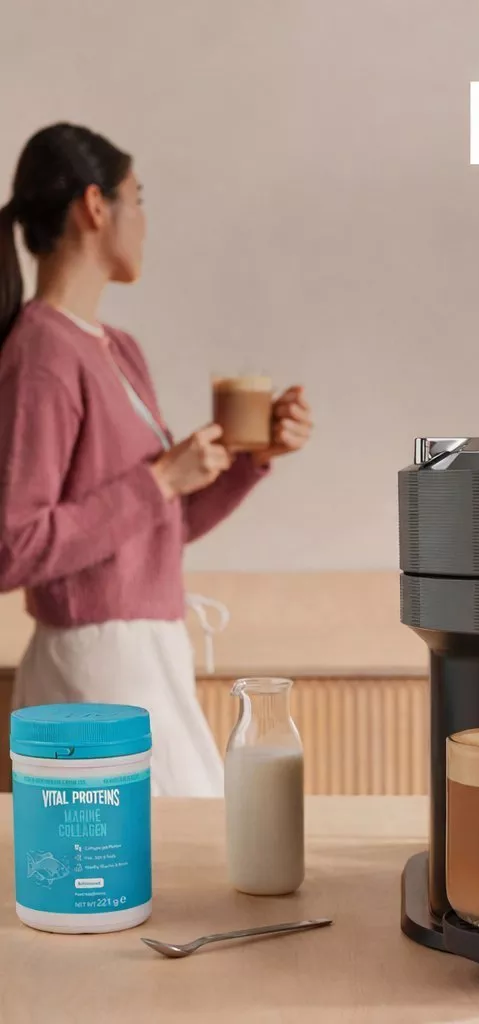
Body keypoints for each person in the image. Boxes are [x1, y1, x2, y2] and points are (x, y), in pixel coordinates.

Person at [0, 123, 313, 796]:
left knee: (191, 838)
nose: (144, 221)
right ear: (95, 206)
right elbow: (13, 546)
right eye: (137, 199)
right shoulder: (42, 352)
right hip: (93, 668)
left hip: (149, 654)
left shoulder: (119, 349)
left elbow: (156, 525)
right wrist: (160, 478)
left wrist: (250, 461)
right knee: (189, 838)